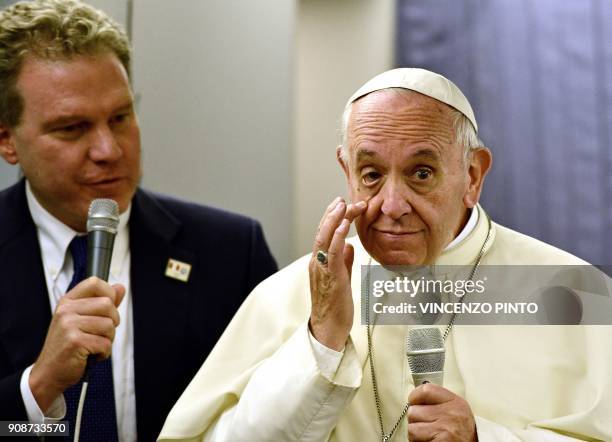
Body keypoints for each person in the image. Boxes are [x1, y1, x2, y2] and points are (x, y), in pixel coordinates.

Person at [159, 68, 612, 441]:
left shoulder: (572, 289)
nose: (392, 206)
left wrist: (483, 438)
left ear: (472, 176)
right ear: (346, 171)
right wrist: (320, 342)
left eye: (421, 172)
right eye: (372, 174)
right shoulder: (290, 293)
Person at [0, 1, 277, 441]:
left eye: (121, 118)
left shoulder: (230, 253)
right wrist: (38, 389)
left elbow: (279, 417)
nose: (108, 149)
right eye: (72, 128)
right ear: (7, 140)